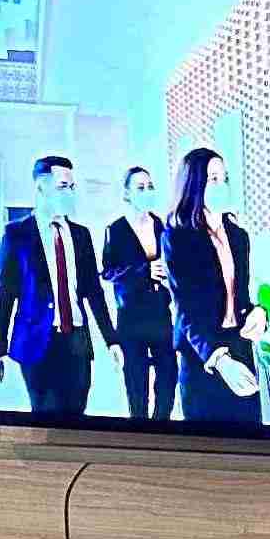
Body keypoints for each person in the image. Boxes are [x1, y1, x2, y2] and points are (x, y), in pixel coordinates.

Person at [0, 156, 116, 419]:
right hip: (36, 342)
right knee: (47, 418)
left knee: (77, 416)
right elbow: (4, 294)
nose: (70, 193)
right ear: (41, 188)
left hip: (77, 342)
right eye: (63, 186)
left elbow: (94, 291)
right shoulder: (17, 235)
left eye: (72, 186)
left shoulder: (81, 235)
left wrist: (112, 340)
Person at [165, 146, 263, 426]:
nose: (223, 186)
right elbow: (186, 310)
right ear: (195, 186)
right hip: (203, 354)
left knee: (250, 437)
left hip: (239, 346)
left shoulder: (238, 236)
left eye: (225, 178)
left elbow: (239, 297)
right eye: (214, 179)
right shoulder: (178, 238)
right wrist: (219, 359)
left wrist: (257, 313)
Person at [100, 163, 181, 422]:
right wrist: (143, 270)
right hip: (131, 318)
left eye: (150, 186)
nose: (147, 192)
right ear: (127, 193)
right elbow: (108, 272)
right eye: (140, 187)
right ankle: (139, 430)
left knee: (169, 375)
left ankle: (161, 425)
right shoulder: (115, 230)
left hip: (160, 313)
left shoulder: (162, 225)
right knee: (136, 382)